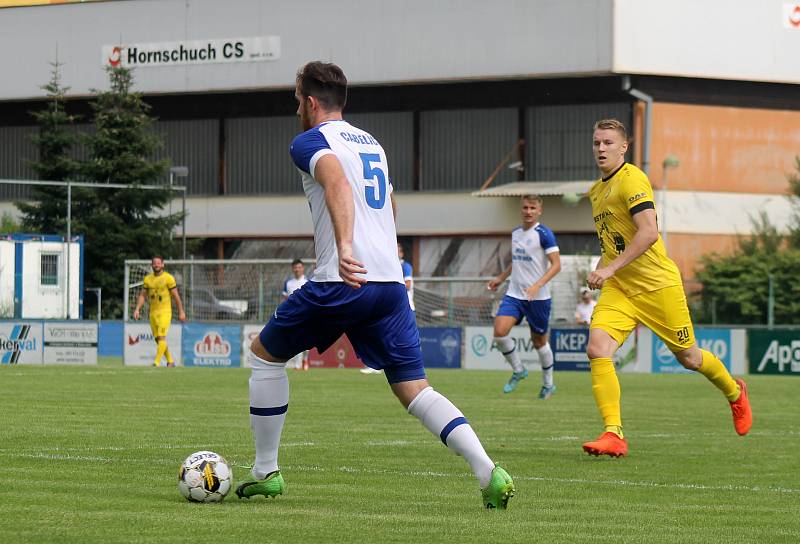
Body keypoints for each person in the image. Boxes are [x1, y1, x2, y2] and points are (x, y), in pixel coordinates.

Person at [236, 61, 514, 509]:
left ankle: (265, 471)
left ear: (308, 102)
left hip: (343, 279)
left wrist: (346, 246)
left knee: (265, 357)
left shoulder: (310, 140)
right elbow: (389, 205)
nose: (296, 109)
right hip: (388, 285)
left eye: (296, 102)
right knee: (413, 388)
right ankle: (488, 472)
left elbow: (337, 183)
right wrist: (381, 249)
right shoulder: (372, 143)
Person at [582, 118, 752, 457]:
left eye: (608, 143)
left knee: (689, 357)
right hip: (621, 289)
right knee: (597, 348)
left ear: (624, 147)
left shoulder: (632, 180)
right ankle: (614, 434)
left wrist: (611, 267)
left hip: (657, 285)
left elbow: (648, 232)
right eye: (597, 142)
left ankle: (735, 393)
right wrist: (602, 269)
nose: (601, 148)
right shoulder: (596, 191)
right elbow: (613, 244)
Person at [487, 195, 561, 399]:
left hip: (538, 298)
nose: (528, 211)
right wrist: (501, 278)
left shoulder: (544, 234)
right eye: (525, 207)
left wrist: (537, 285)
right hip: (514, 294)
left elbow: (556, 264)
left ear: (539, 211)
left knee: (539, 342)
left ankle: (548, 384)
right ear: (521, 209)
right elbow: (517, 262)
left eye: (532, 208)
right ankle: (519, 370)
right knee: (500, 332)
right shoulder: (516, 233)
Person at [360, 243, 412, 375]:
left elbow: (408, 284)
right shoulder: (389, 265)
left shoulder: (404, 266)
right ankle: (377, 365)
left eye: (398, 250)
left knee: (396, 338)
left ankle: (398, 365)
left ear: (401, 253)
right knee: (381, 334)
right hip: (388, 306)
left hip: (403, 307)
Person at [133, 256, 186, 367]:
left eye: (158, 263)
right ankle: (170, 361)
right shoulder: (148, 279)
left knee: (161, 337)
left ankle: (156, 362)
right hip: (153, 313)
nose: (156, 265)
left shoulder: (168, 278)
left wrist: (181, 312)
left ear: (163, 265)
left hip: (165, 312)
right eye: (154, 263)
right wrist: (137, 309)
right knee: (158, 339)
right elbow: (143, 295)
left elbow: (176, 296)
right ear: (152, 265)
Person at [282, 259, 308, 370]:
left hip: (306, 315)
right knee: (296, 340)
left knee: (307, 342)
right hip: (293, 315)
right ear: (292, 269)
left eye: (299, 267)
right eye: (295, 267)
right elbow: (285, 299)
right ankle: (297, 365)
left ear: (303, 268)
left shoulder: (308, 282)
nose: (297, 269)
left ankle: (305, 360)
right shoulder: (288, 283)